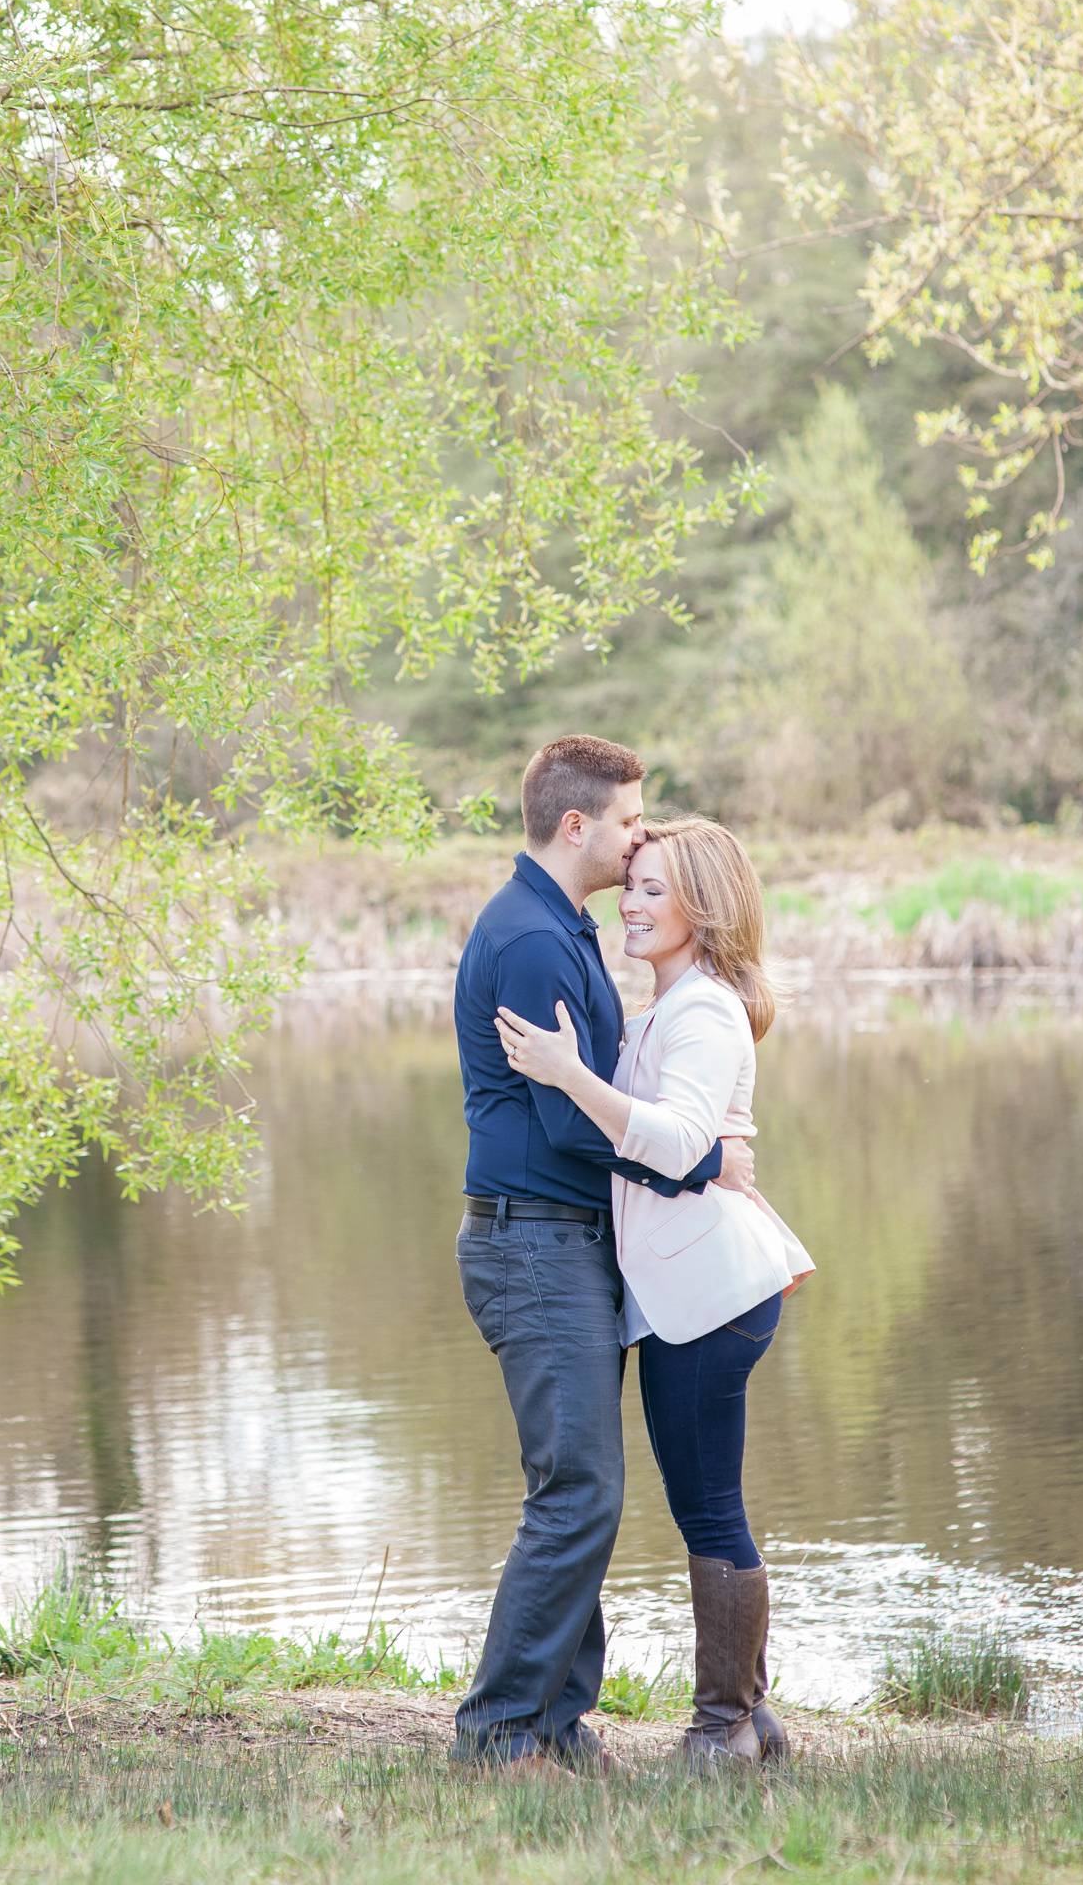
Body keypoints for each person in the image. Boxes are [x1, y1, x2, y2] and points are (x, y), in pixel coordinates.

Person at [451, 735, 759, 1772]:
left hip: (570, 1244)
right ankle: (499, 1732)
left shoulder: (562, 929)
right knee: (577, 1491)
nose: (637, 843)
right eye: (630, 822)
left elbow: (610, 1089)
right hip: (532, 1242)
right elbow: (572, 1121)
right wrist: (703, 1160)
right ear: (574, 824)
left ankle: (556, 1720)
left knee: (582, 1489)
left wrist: (706, 1139)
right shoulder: (533, 943)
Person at [496, 815, 814, 1768]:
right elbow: (673, 1144)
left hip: (710, 1297)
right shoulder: (663, 1012)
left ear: (701, 906)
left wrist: (566, 1074)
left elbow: (674, 1143)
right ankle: (750, 1719)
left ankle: (721, 1728)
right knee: (706, 1502)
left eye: (653, 889)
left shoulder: (706, 1010)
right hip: (690, 1295)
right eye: (628, 886)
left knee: (710, 1507)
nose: (631, 905)